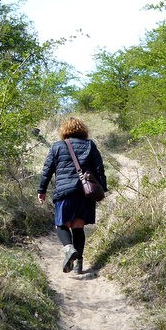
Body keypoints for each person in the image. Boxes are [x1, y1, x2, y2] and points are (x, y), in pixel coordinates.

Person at [37, 117, 107, 275]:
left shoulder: (57, 146)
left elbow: (47, 171)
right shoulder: (90, 145)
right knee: (78, 227)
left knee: (61, 225)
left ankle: (69, 249)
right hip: (85, 193)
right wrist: (102, 189)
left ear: (64, 131)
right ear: (83, 130)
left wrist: (42, 190)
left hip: (64, 192)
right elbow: (99, 169)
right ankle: (78, 266)